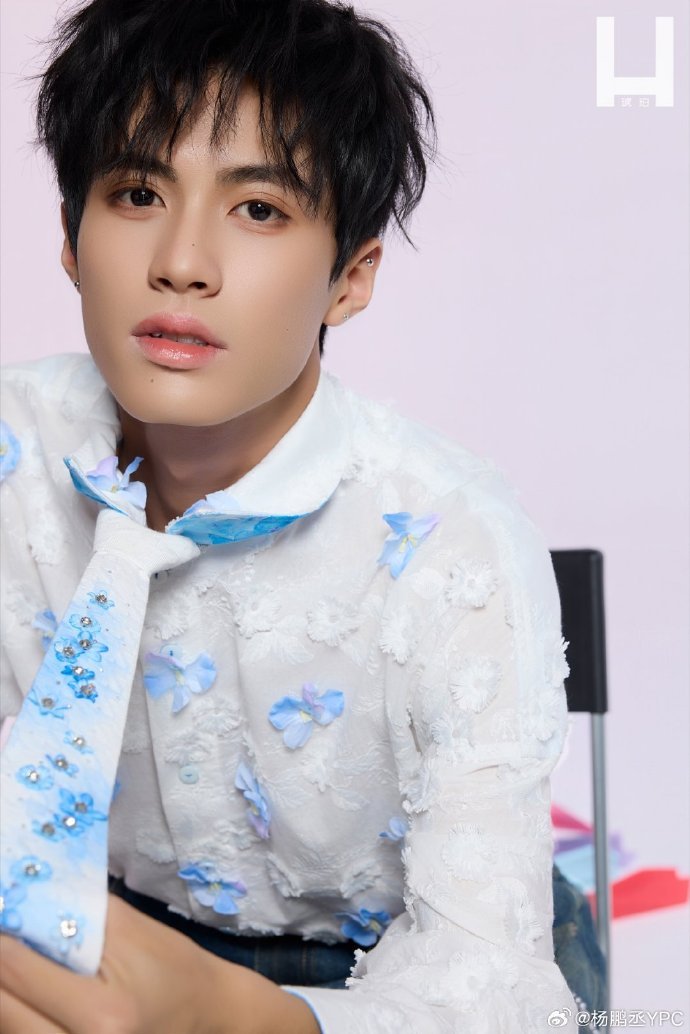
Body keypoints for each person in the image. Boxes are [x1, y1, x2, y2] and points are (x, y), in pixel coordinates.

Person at [0, 0, 583, 1030]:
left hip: (391, 977)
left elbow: (489, 986)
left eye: (259, 209)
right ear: (70, 238)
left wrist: (234, 1017)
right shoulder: (14, 449)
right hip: (97, 931)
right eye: (137, 193)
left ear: (350, 278)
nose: (183, 262)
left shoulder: (452, 537)